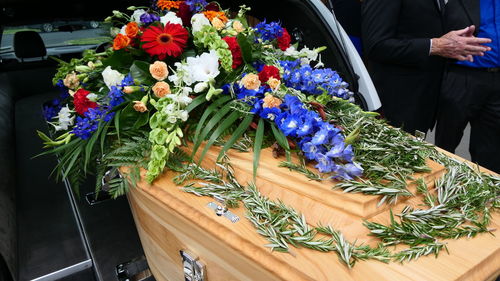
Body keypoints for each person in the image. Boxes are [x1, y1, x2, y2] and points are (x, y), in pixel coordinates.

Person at [361, 0, 491, 135]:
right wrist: (435, 45)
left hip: (422, 102)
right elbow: (376, 45)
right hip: (393, 103)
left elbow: (419, 27)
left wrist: (453, 43)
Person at [435, 0, 500, 173]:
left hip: (496, 79)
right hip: (462, 76)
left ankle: (486, 192)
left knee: (491, 148)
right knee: (447, 142)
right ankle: (441, 186)